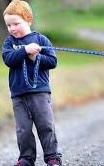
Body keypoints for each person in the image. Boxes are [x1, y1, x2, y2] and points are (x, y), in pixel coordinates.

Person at [2, 0, 62, 166]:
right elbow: (8, 59)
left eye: (16, 23)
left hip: (40, 93)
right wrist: (24, 50)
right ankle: (26, 158)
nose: (12, 28)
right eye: (8, 25)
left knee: (45, 125)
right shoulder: (9, 43)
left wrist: (36, 56)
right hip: (18, 94)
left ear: (28, 20)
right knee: (23, 129)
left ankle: (52, 157)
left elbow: (52, 61)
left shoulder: (41, 40)